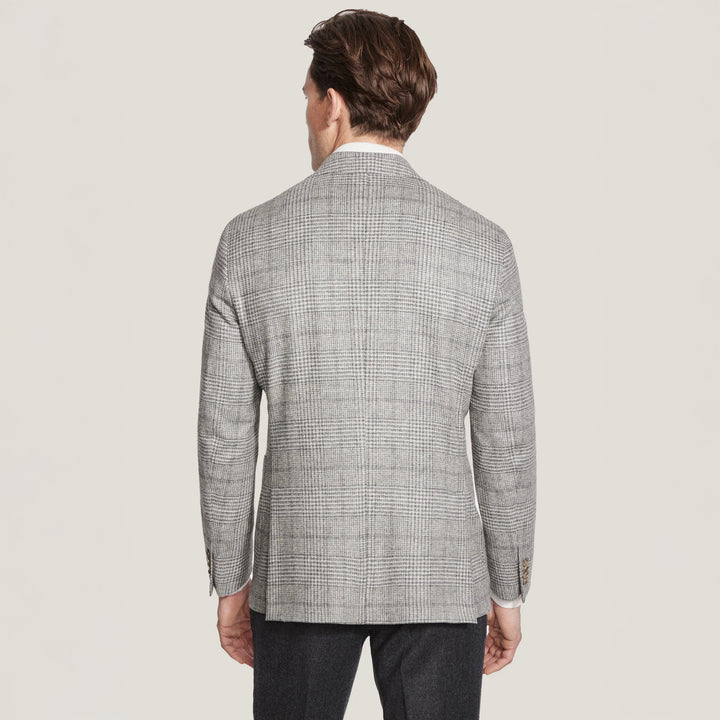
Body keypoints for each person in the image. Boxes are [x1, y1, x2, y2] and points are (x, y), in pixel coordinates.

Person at [197, 9, 536, 719]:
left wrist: (231, 582)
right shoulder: (482, 246)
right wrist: (507, 589)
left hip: (299, 574)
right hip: (441, 577)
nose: (306, 116)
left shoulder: (249, 241)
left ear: (333, 104)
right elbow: (505, 439)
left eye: (306, 98)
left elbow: (226, 437)